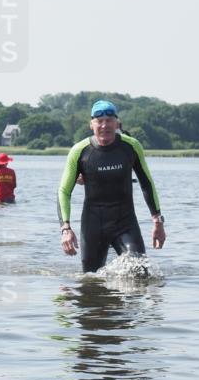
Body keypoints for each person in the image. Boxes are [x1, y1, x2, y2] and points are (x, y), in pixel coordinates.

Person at [58, 100, 166, 272]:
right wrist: (66, 228)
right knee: (90, 280)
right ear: (91, 124)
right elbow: (64, 191)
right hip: (93, 224)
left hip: (125, 222)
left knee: (139, 269)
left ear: (117, 123)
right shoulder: (80, 151)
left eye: (109, 120)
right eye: (99, 121)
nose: (104, 125)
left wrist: (158, 222)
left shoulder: (131, 146)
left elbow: (146, 183)